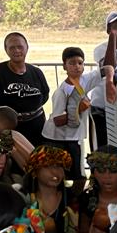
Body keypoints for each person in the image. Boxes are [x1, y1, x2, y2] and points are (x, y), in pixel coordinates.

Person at [0, 31, 49, 141]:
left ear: (27, 48)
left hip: (36, 127)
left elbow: (44, 96)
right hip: (6, 128)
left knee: (35, 157)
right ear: (6, 50)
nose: (17, 51)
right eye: (12, 48)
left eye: (20, 47)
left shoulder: (36, 72)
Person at [42, 46, 91, 177]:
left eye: (80, 63)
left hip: (73, 137)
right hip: (58, 139)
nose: (77, 67)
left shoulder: (79, 85)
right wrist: (78, 110)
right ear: (64, 66)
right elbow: (57, 120)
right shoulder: (61, 92)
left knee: (77, 171)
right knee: (68, 174)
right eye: (72, 63)